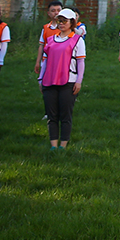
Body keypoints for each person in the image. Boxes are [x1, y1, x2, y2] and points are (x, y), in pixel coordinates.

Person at [40, 9, 85, 149]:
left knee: (65, 115)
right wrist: (40, 79)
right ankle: (53, 144)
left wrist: (79, 81)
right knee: (51, 115)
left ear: (72, 22)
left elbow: (80, 62)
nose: (61, 23)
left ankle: (63, 145)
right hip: (49, 81)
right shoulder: (50, 40)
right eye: (60, 21)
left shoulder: (77, 40)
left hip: (68, 82)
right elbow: (45, 61)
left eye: (65, 21)